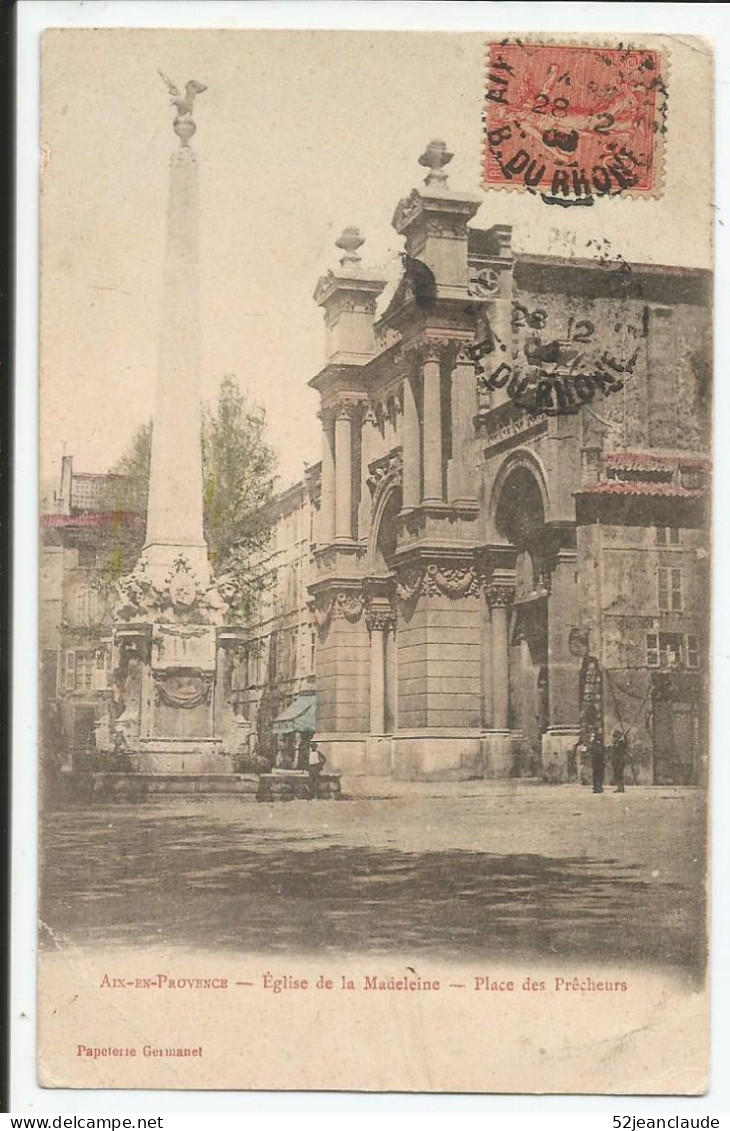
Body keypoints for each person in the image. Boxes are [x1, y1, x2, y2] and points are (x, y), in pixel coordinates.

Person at [611, 727, 628, 793]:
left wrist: (625, 738)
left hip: (619, 762)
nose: (613, 738)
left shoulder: (620, 744)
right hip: (616, 762)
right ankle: (619, 787)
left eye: (614, 736)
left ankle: (621, 787)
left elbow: (624, 748)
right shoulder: (616, 744)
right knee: (617, 775)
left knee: (619, 775)